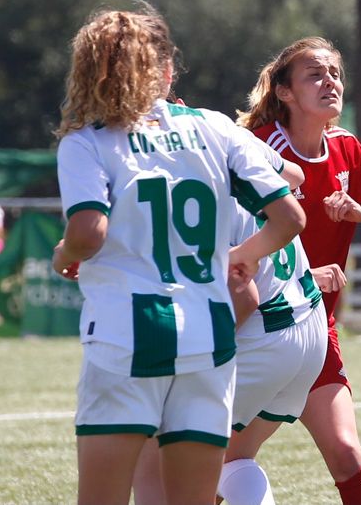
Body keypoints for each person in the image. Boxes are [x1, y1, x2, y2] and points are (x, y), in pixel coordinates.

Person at [52, 5, 305, 505]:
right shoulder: (215, 127)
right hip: (208, 338)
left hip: (126, 336)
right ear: (165, 72)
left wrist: (64, 252)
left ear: (88, 73)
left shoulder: (88, 143)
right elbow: (291, 216)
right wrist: (246, 255)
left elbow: (88, 231)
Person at [237, 37, 361, 505]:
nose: (329, 82)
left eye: (334, 73)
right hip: (254, 330)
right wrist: (299, 277)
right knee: (226, 459)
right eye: (314, 74)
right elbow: (231, 243)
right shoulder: (258, 152)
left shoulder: (346, 149)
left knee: (344, 450)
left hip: (315, 329)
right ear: (285, 92)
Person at [131, 140, 334, 505]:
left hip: (263, 335)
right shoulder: (222, 131)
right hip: (309, 328)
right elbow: (296, 174)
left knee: (157, 447)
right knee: (233, 459)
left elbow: (243, 295)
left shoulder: (175, 184)